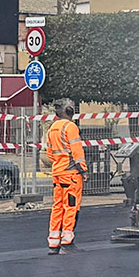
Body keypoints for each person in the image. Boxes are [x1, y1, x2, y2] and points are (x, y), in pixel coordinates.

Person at [44, 99, 87, 253]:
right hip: (71, 174)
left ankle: (53, 242)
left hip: (58, 172)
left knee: (57, 206)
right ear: (69, 111)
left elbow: (50, 154)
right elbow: (77, 152)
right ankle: (67, 242)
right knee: (71, 206)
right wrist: (83, 169)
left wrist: (59, 163)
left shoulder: (52, 128)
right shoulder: (71, 127)